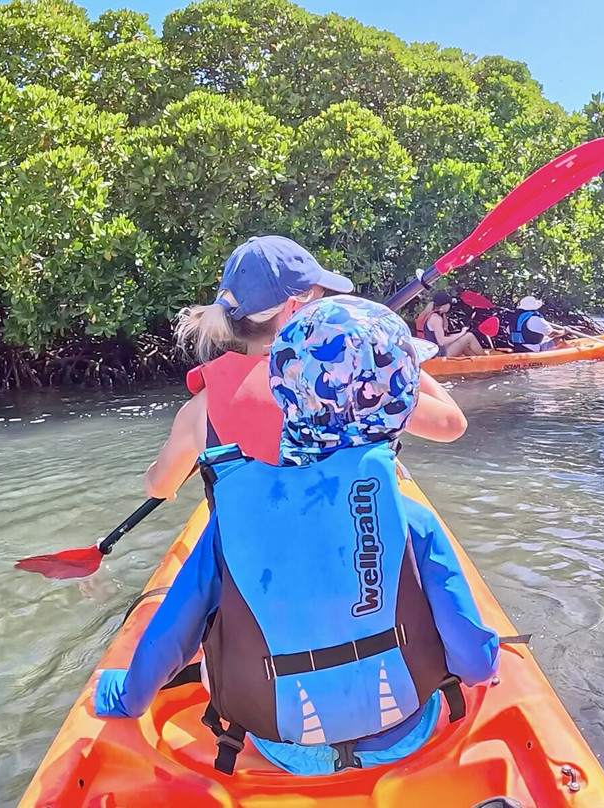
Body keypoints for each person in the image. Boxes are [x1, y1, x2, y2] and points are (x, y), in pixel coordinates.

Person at [93, 295, 501, 776]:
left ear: (283, 397)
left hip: (286, 745)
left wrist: (125, 697)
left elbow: (170, 638)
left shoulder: (232, 518)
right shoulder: (414, 520)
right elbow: (475, 666)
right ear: (400, 406)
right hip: (404, 730)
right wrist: (489, 665)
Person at [144, 236, 468, 500]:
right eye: (321, 298)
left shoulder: (200, 408)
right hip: (348, 548)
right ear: (293, 308)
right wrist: (389, 354)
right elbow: (452, 425)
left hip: (252, 555)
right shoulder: (344, 380)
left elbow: (158, 486)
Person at [421, 290, 485, 358]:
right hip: (439, 354)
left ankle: (476, 359)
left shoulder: (435, 315)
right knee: (469, 336)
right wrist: (461, 333)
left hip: (437, 351)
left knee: (462, 341)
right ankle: (485, 358)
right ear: (445, 305)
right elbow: (441, 342)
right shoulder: (436, 319)